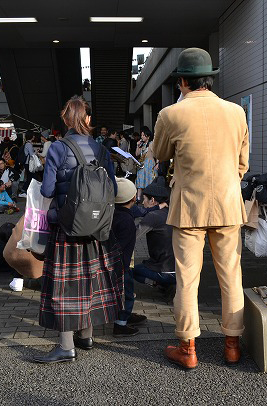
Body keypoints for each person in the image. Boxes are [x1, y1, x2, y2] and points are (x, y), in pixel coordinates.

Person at [152, 48, 250, 369]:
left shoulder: (171, 114)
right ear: (209, 78)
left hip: (189, 208)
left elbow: (160, 152)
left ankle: (188, 348)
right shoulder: (236, 112)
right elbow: (242, 163)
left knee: (187, 279)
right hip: (227, 205)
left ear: (182, 82)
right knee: (231, 277)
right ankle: (232, 345)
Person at [32, 95, 123, 364]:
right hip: (96, 229)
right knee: (90, 280)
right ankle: (87, 335)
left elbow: (48, 189)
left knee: (67, 286)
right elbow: (113, 190)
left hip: (66, 226)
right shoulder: (102, 149)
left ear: (67, 119)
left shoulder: (58, 148)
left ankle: (66, 346)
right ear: (87, 119)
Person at [111, 177, 147, 337]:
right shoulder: (127, 220)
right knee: (127, 294)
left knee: (120, 293)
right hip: (122, 265)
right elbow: (121, 247)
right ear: (133, 198)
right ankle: (121, 324)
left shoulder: (112, 214)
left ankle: (125, 315)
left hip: (112, 263)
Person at [133, 178, 176, 290]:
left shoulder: (153, 216)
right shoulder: (171, 211)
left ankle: (159, 284)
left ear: (152, 200)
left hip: (164, 270)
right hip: (181, 270)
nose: (143, 203)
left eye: (144, 199)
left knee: (133, 271)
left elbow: (133, 235)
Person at [135, 127, 156, 202]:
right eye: (141, 135)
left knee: (148, 181)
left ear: (148, 136)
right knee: (140, 180)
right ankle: (138, 198)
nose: (142, 137)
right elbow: (137, 154)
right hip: (142, 164)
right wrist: (137, 145)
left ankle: (147, 199)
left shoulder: (152, 144)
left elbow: (157, 154)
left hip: (149, 164)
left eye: (143, 135)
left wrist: (157, 164)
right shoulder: (142, 144)